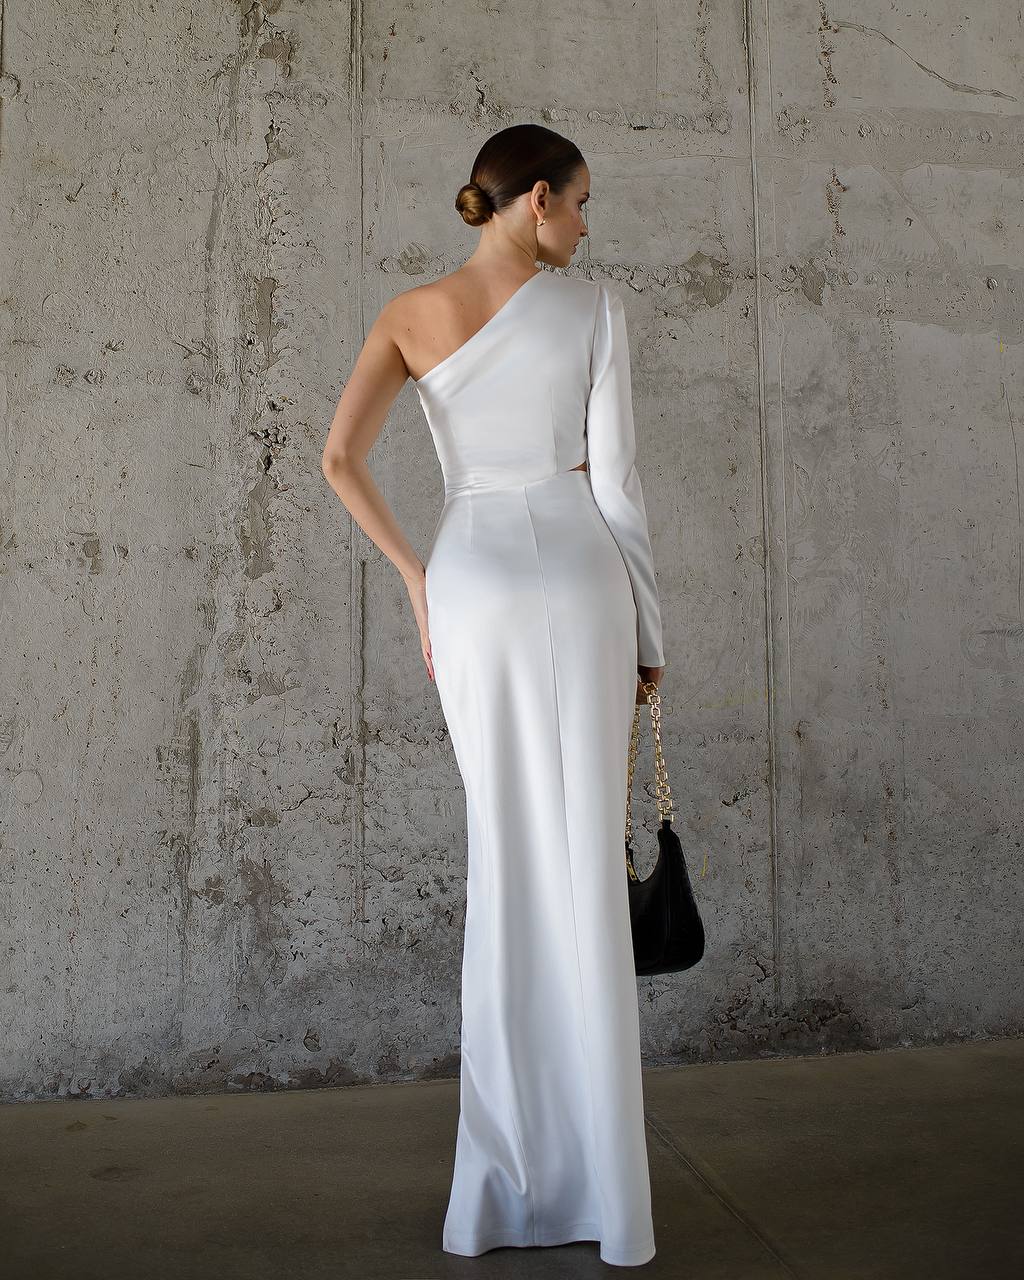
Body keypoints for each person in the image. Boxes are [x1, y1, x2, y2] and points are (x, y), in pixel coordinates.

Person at [321, 123, 666, 1268]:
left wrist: (420, 580)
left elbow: (340, 457)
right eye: (577, 201)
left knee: (508, 861)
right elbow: (613, 484)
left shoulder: (408, 313)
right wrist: (650, 631)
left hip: (470, 579)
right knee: (579, 864)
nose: (584, 222)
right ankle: (606, 1193)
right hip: (577, 575)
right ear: (530, 201)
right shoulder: (597, 309)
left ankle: (501, 1188)